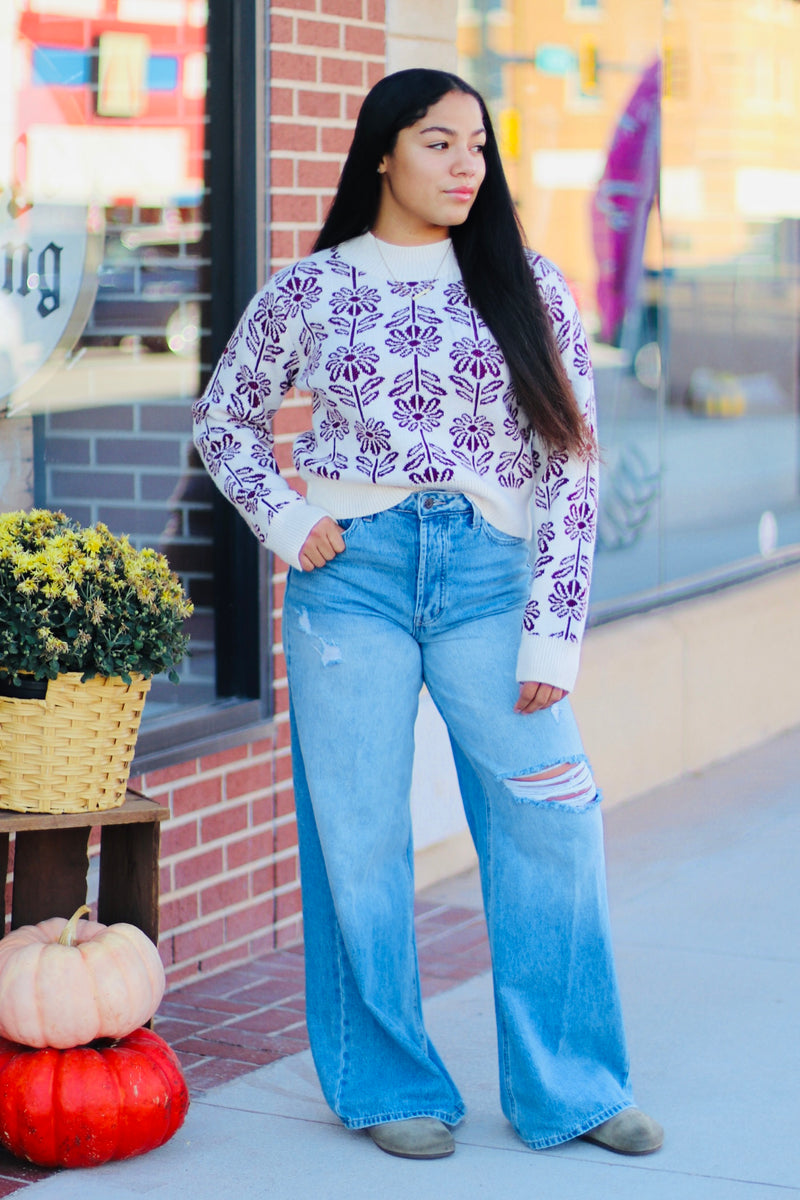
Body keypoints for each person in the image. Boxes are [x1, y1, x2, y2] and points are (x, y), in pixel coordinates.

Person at [193, 67, 663, 1162]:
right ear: (381, 155)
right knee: (357, 836)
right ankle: (385, 1079)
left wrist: (553, 628)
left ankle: (573, 1088)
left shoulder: (528, 286)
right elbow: (225, 423)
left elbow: (573, 466)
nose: (465, 167)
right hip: (347, 584)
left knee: (550, 816)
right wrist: (286, 515)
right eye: (439, 142)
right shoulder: (308, 291)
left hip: (491, 583)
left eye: (478, 148)